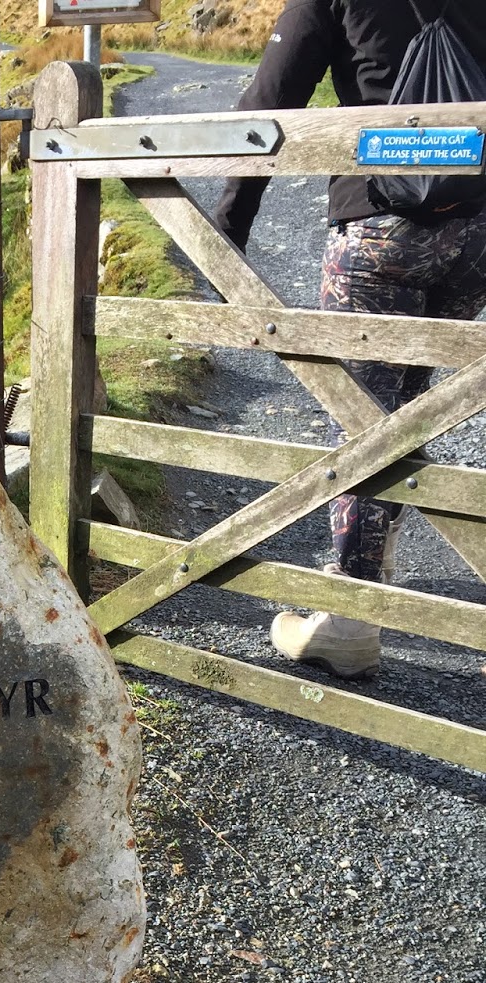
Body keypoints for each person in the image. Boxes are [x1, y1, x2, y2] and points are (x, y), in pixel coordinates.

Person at [214, 0, 486, 678]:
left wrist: (228, 232)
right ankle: (370, 582)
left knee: (367, 422)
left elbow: (270, 101)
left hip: (377, 228)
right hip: (477, 231)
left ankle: (350, 616)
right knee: (411, 410)